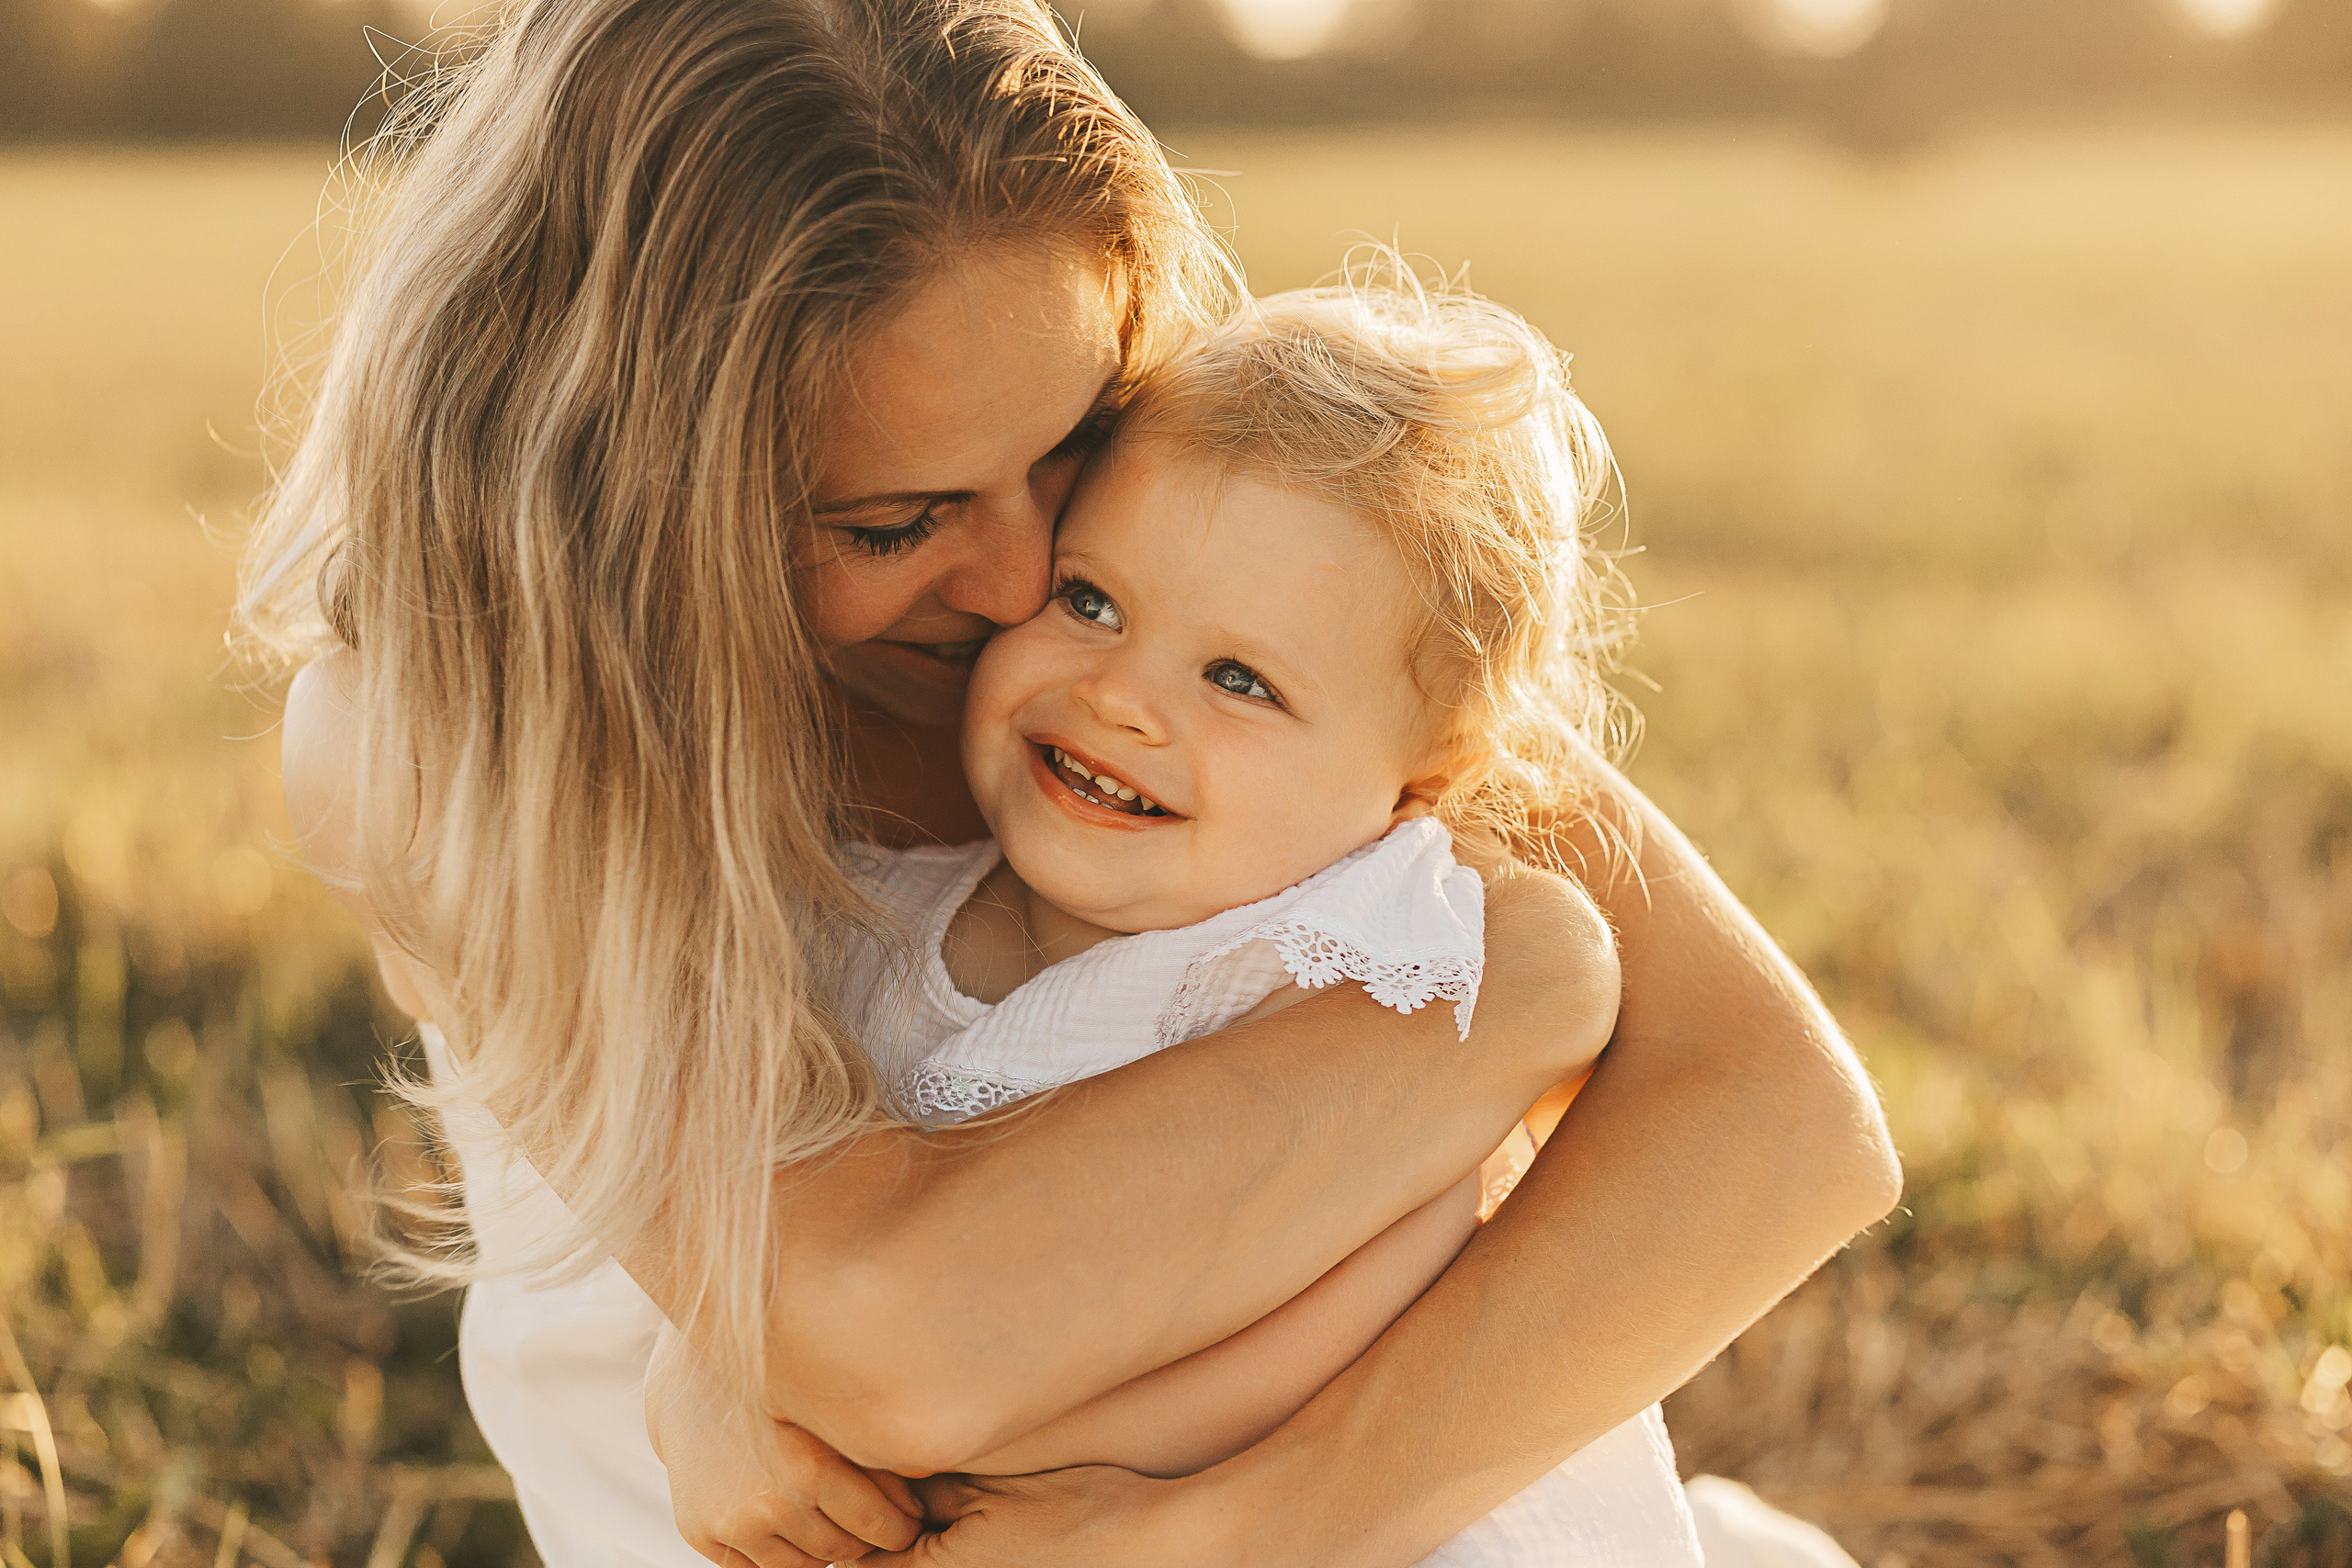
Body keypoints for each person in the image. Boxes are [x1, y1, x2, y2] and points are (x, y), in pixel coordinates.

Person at [239, 2, 1901, 1565]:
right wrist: (1523, 991)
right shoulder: (434, 736)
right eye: (894, 522)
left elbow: (1778, 1117)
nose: (1030, 576)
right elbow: (899, 1337)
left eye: (1078, 436)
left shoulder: (1182, 600)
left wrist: (1247, 1528)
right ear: (622, 503)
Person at [651, 268, 1708, 1564]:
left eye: (1240, 679)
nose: (1122, 698)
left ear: (1420, 784)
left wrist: (934, 1456)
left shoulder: (1364, 958)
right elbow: (777, 1233)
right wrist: (713, 1377)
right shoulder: (865, 912)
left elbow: (1325, 1340)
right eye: (1091, 601)